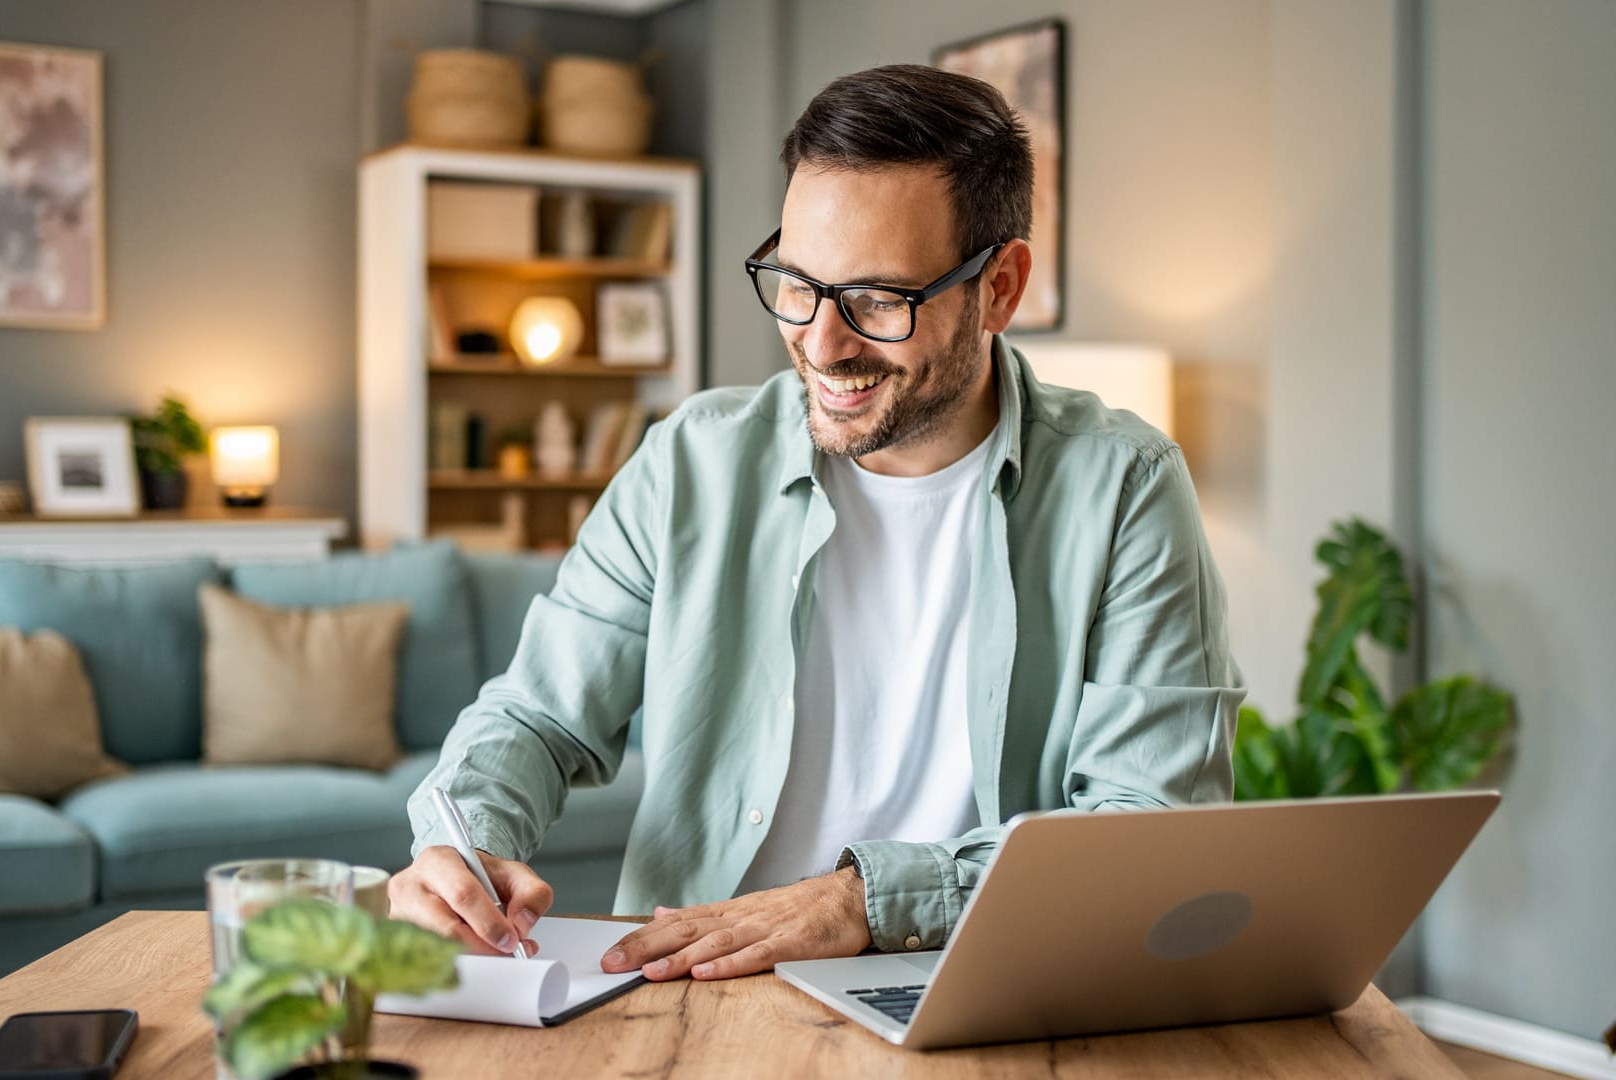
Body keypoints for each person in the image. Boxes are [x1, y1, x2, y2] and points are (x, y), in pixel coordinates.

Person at [390, 63, 1244, 983]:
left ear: (1001, 287)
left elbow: (1147, 832)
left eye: (878, 299)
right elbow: (539, 714)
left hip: (979, 991)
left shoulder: (1125, 488)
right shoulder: (691, 461)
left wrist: (862, 903)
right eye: (797, 283)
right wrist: (461, 841)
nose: (822, 344)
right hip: (689, 986)